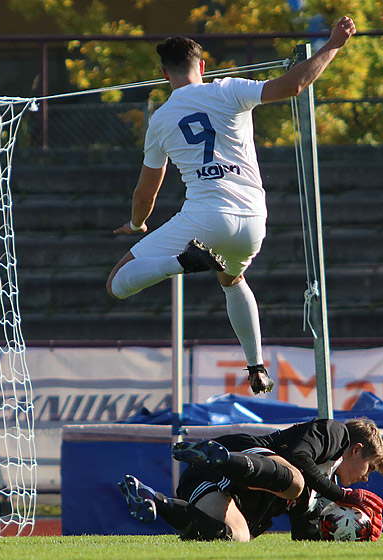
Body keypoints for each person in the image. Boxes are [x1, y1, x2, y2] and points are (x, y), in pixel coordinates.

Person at [106, 16, 358, 395]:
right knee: (232, 279)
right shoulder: (229, 90)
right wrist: (334, 44)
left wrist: (137, 224)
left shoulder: (160, 119)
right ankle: (256, 365)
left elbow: (146, 194)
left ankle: (184, 262)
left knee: (118, 283)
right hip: (254, 221)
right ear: (202, 66)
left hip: (205, 219)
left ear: (163, 73)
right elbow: (296, 84)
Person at [118, 416, 383, 542]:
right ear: (356, 450)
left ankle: (154, 498)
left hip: (204, 479)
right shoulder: (335, 433)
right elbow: (299, 457)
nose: (366, 478)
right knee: (295, 482)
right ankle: (220, 458)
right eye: (370, 468)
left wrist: (347, 533)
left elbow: (304, 535)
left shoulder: (317, 494)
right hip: (238, 452)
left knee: (237, 538)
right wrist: (342, 495)